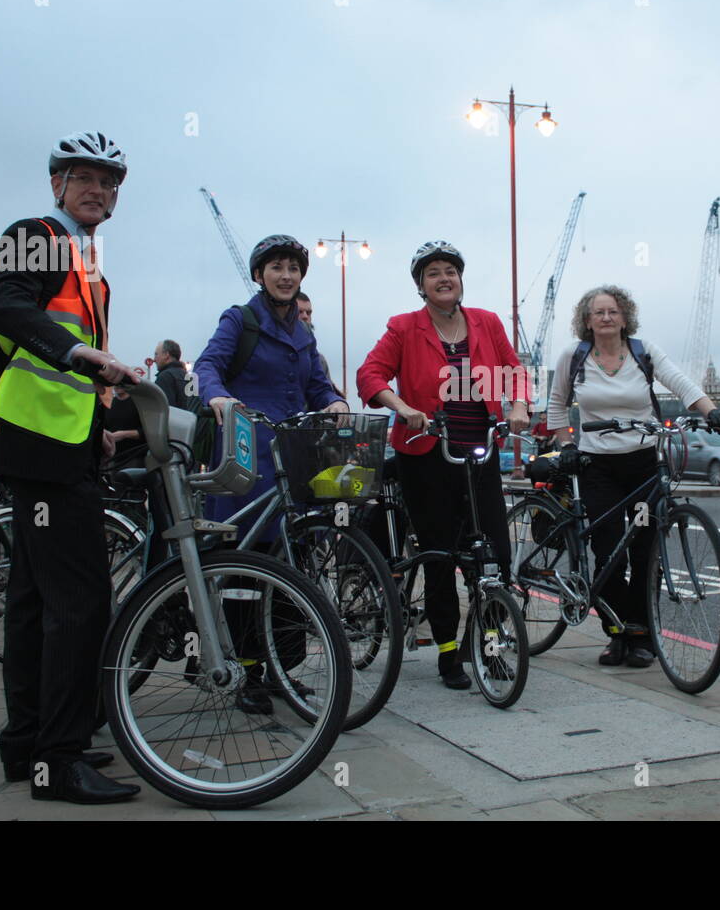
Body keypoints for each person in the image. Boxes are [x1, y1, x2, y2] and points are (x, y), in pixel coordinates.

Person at [0, 131, 141, 803]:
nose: (98, 189)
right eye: (84, 178)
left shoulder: (88, 264)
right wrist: (79, 357)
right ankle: (62, 754)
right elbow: (4, 306)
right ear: (56, 184)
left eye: (109, 182)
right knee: (80, 603)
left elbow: (84, 375)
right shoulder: (38, 235)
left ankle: (30, 746)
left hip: (58, 443)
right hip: (40, 446)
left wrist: (100, 430)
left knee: (33, 601)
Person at [357, 240, 530, 689]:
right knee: (439, 554)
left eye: (450, 270)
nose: (443, 278)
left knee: (494, 555)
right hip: (427, 453)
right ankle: (448, 655)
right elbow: (370, 375)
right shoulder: (404, 327)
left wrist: (517, 407)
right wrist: (403, 407)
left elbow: (515, 371)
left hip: (481, 451)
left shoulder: (487, 323)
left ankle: (491, 648)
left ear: (460, 279)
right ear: (421, 285)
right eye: (433, 272)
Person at [194, 234, 347, 713]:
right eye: (276, 267)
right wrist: (217, 397)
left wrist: (335, 400)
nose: (286, 275)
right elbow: (207, 365)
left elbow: (317, 385)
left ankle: (282, 668)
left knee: (288, 566)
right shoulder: (240, 319)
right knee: (247, 566)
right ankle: (247, 670)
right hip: (244, 459)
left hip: (290, 459)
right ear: (259, 274)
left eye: (294, 269)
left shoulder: (304, 333)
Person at [545, 285, 720, 668]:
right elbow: (557, 404)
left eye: (613, 311)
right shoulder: (573, 356)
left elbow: (681, 382)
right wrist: (567, 447)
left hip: (643, 465)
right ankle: (617, 634)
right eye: (598, 312)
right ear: (587, 320)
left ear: (625, 316)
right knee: (609, 552)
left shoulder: (644, 352)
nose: (607, 318)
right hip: (597, 468)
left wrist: (711, 410)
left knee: (645, 551)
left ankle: (643, 634)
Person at [295, 291, 345, 399]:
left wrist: (336, 401)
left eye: (308, 313)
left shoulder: (319, 360)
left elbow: (323, 394)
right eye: (299, 312)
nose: (305, 316)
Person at [152, 339, 190, 410]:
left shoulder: (165, 377)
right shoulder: (189, 377)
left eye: (156, 354)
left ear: (166, 355)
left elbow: (165, 411)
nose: (154, 359)